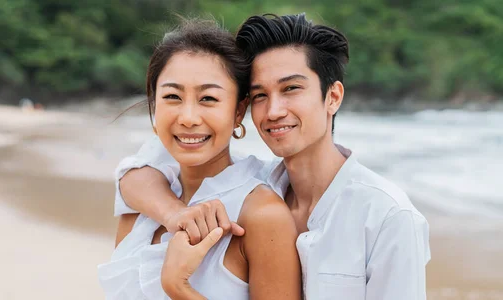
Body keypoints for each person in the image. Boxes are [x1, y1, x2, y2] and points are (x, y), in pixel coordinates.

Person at [114, 13, 431, 299]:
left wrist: (179, 288)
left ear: (332, 96)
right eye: (260, 95)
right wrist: (174, 215)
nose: (274, 111)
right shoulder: (254, 183)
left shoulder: (387, 217)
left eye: (291, 89)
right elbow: (135, 174)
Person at [97, 18, 302, 300]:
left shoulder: (261, 215)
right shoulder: (143, 210)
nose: (188, 118)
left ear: (239, 111)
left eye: (208, 98)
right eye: (172, 96)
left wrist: (179, 288)